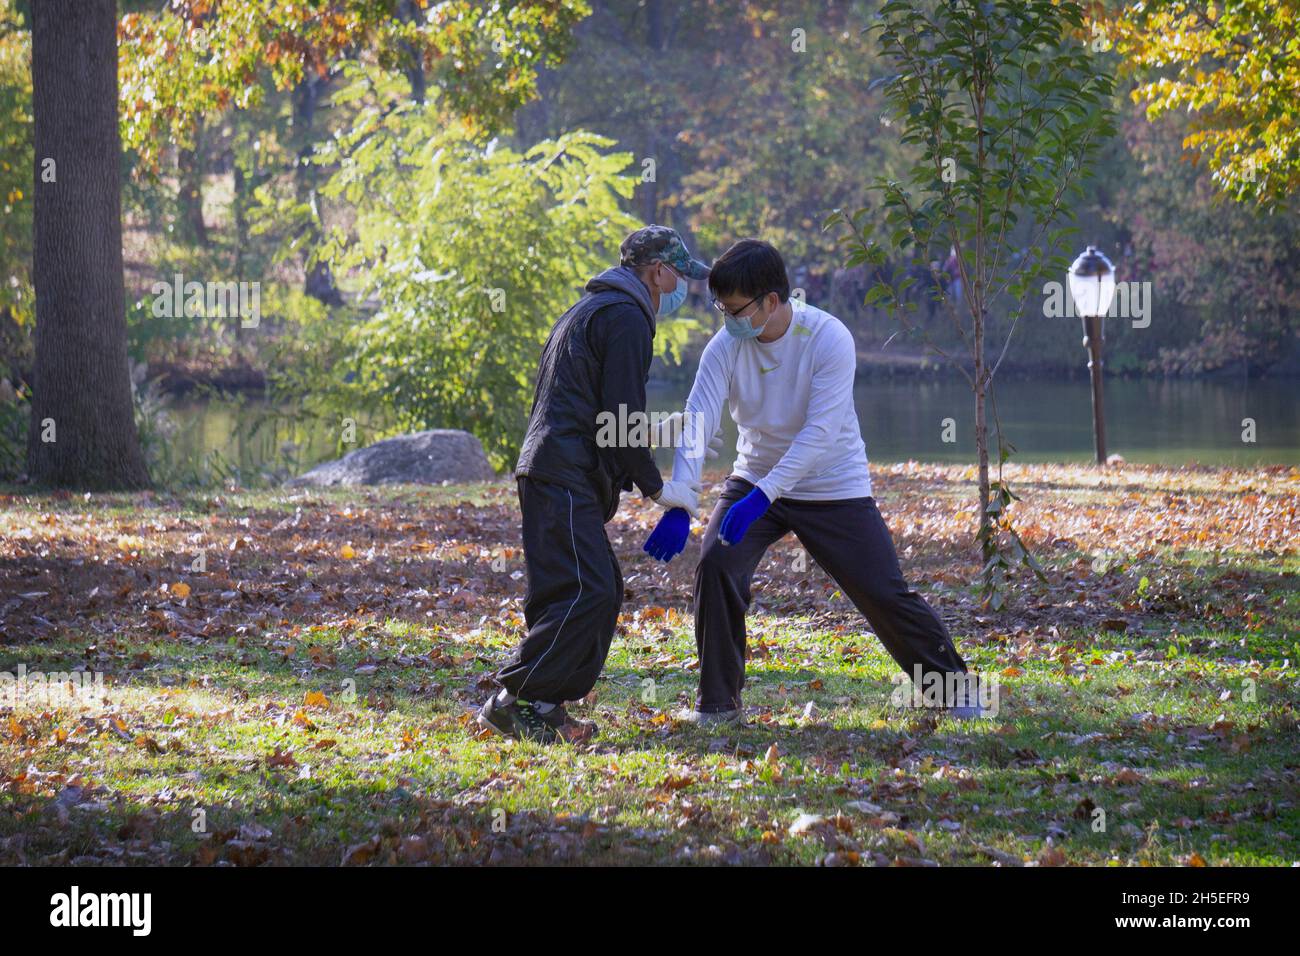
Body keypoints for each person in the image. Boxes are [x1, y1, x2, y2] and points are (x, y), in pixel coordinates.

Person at [643, 238, 979, 725]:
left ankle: (955, 689)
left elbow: (819, 433)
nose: (727, 318)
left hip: (830, 483)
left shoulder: (828, 338)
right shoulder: (727, 346)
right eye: (721, 307)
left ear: (771, 301)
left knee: (882, 592)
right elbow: (698, 419)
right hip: (754, 478)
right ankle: (718, 705)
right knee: (716, 565)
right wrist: (683, 498)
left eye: (735, 308)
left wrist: (765, 494)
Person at [477, 225, 713, 744]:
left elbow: (601, 410)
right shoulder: (627, 317)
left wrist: (660, 433)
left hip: (553, 469)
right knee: (589, 588)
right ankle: (511, 699)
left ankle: (544, 705)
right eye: (679, 278)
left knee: (588, 588)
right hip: (561, 473)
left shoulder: (592, 309)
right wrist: (656, 488)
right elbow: (619, 413)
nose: (681, 290)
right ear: (658, 272)